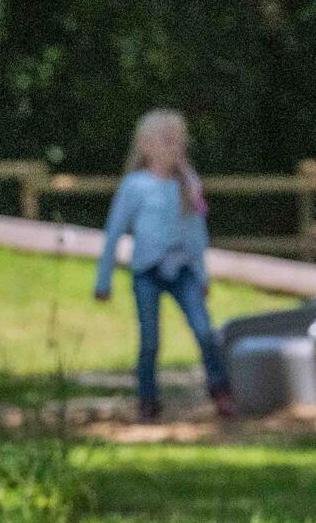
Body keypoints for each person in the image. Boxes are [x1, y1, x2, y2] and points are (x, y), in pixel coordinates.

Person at [94, 109, 235, 421]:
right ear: (147, 145)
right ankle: (147, 400)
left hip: (183, 269)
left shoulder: (189, 183)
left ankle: (220, 389)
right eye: (168, 141)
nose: (175, 148)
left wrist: (201, 273)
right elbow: (114, 232)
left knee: (203, 330)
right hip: (147, 271)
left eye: (179, 142)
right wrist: (103, 280)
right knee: (150, 339)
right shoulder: (135, 186)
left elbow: (197, 233)